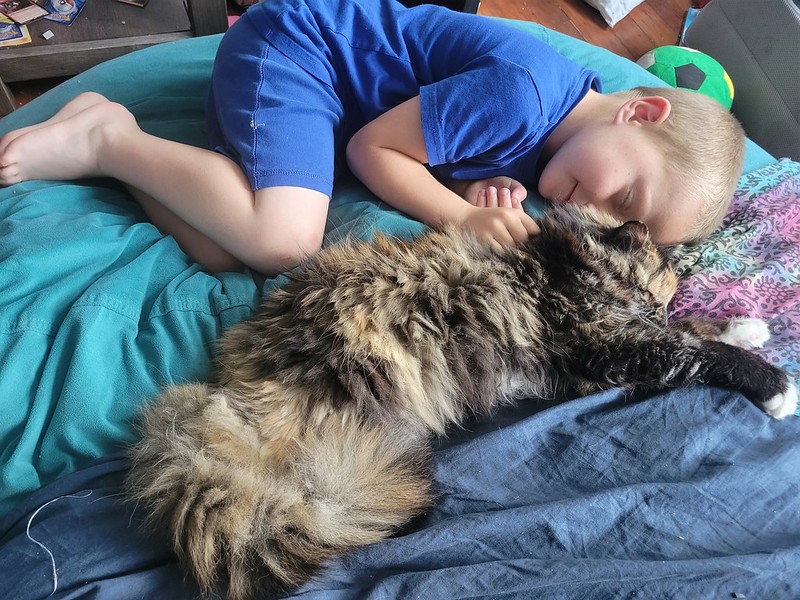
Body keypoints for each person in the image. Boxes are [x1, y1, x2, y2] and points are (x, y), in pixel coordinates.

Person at [0, 0, 745, 275]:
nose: (603, 219)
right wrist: (464, 217)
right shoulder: (524, 93)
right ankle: (104, 140)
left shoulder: (551, 148)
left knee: (222, 247)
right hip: (296, 49)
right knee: (287, 243)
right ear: (640, 112)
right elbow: (374, 153)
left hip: (333, 103)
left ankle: (127, 146)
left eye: (626, 230)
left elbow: (448, 148)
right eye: (630, 199)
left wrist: (481, 186)